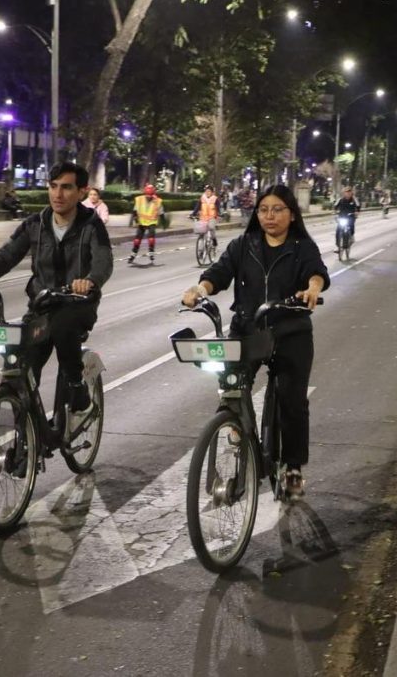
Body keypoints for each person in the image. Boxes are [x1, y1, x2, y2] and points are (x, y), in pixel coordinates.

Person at [181, 184, 329, 499]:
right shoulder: (243, 244)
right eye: (263, 209)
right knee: (231, 383)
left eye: (277, 209)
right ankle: (234, 421)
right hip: (247, 330)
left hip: (291, 332)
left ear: (291, 214)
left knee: (291, 399)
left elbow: (316, 274)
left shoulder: (302, 246)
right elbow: (218, 274)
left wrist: (312, 289)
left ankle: (292, 467)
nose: (269, 216)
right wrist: (200, 290)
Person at [0, 162, 113, 429]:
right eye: (53, 186)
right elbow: (8, 252)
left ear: (82, 192)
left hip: (78, 304)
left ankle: (76, 385)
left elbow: (103, 261)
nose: (58, 194)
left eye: (67, 188)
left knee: (63, 327)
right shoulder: (36, 224)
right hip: (42, 304)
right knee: (23, 366)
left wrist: (90, 281)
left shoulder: (92, 225)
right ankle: (26, 442)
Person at [129, 184, 165, 264]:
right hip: (141, 222)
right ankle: (133, 254)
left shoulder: (157, 201)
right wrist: (134, 219)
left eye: (150, 195)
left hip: (152, 222)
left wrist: (164, 223)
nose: (148, 197)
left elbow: (161, 213)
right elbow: (134, 211)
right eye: (147, 195)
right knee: (137, 240)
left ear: (153, 194)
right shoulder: (140, 199)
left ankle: (151, 252)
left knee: (151, 238)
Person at [190, 184, 220, 249]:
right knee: (201, 232)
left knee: (211, 227)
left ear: (212, 192)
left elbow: (218, 208)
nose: (207, 192)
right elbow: (197, 207)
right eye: (206, 191)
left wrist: (219, 213)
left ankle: (214, 239)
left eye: (209, 191)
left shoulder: (215, 199)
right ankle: (201, 251)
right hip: (203, 218)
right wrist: (193, 214)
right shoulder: (202, 198)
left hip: (212, 218)